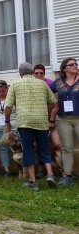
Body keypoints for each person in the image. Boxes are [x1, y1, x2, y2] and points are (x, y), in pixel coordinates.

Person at [4, 63, 57, 190]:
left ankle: (33, 181)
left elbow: (8, 106)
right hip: (41, 121)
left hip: (24, 121)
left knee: (28, 150)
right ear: (32, 72)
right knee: (44, 148)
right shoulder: (43, 83)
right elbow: (53, 102)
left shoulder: (15, 84)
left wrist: (7, 120)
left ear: (20, 73)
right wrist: (48, 113)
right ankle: (50, 174)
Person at [50, 57, 79, 186]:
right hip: (63, 120)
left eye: (76, 64)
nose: (75, 66)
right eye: (72, 64)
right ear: (64, 68)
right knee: (67, 147)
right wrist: (53, 110)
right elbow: (53, 100)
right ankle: (68, 175)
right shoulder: (56, 83)